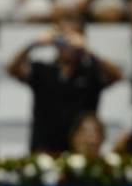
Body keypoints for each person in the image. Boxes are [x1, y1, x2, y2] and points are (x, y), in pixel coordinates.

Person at [7, 14, 122, 155]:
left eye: (73, 36)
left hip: (81, 150)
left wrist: (88, 50)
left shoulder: (91, 72)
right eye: (63, 36)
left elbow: (117, 75)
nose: (68, 43)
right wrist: (34, 44)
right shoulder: (42, 70)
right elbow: (12, 69)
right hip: (45, 149)